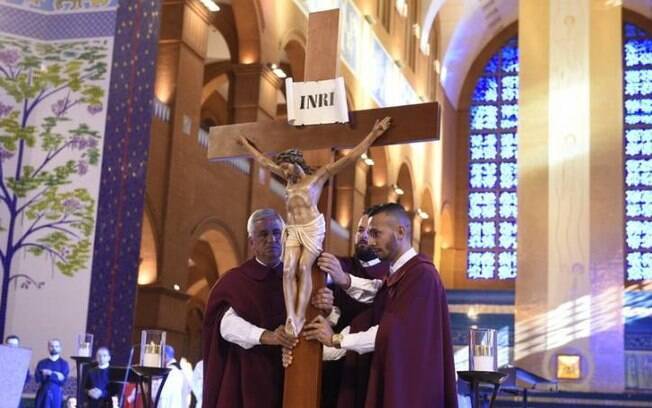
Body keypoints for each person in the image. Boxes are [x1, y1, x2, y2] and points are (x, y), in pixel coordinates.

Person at [293, 203, 458, 407]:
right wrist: (344, 280)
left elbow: (391, 332)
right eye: (366, 233)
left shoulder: (421, 275)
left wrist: (335, 338)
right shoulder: (403, 272)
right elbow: (378, 291)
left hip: (409, 386)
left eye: (375, 233)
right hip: (394, 375)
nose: (369, 241)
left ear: (400, 231)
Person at [238, 117, 391, 336]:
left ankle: (300, 314)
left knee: (303, 268)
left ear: (296, 162)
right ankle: (292, 316)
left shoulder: (317, 178)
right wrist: (246, 146)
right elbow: (264, 163)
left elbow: (350, 158)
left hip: (311, 228)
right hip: (293, 229)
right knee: (288, 269)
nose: (286, 173)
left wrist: (374, 133)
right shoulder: (288, 178)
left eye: (288, 167)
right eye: (283, 169)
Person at [202, 208, 332, 408]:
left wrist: (327, 304)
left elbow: (317, 318)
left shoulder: (300, 278)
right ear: (251, 242)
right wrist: (268, 336)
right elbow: (227, 325)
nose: (271, 239)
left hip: (293, 372)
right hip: (247, 373)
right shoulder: (236, 281)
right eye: (263, 234)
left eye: (276, 233)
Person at [319, 206, 389, 408]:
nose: (363, 236)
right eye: (360, 230)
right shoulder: (339, 265)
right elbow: (331, 311)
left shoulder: (389, 273)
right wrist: (325, 307)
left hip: (371, 360)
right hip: (336, 364)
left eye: (370, 232)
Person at [35, 338, 70, 408]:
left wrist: (50, 373)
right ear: (48, 347)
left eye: (56, 346)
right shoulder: (42, 363)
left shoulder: (64, 364)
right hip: (42, 394)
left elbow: (63, 381)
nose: (54, 348)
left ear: (60, 348)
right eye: (51, 346)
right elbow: (38, 379)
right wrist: (57, 375)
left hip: (56, 394)